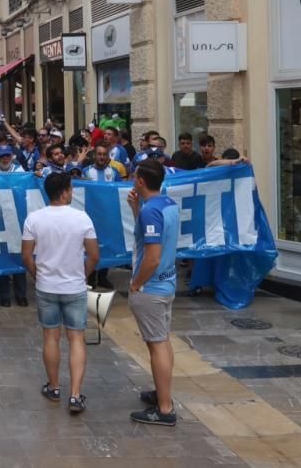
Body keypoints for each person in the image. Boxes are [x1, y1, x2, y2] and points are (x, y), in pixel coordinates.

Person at [21, 173, 100, 414]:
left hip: (46, 286)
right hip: (74, 286)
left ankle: (54, 386)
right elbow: (94, 255)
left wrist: (38, 275)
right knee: (76, 338)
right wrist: (81, 275)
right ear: (65, 191)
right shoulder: (81, 218)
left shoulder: (34, 219)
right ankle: (75, 395)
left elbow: (26, 256)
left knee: (50, 337)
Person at [127, 159, 180, 426]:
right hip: (167, 284)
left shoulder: (152, 212)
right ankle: (162, 393)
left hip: (151, 287)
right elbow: (154, 237)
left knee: (156, 344)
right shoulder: (167, 204)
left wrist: (136, 283)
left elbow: (152, 257)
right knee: (163, 340)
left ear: (140, 181)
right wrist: (137, 209)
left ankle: (165, 409)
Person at [0, 145, 28, 307]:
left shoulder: (19, 170)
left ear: (12, 156)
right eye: (2, 156)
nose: (5, 159)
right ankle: (4, 296)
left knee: (19, 256)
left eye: (7, 155)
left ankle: (21, 294)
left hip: (17, 219)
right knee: (2, 257)